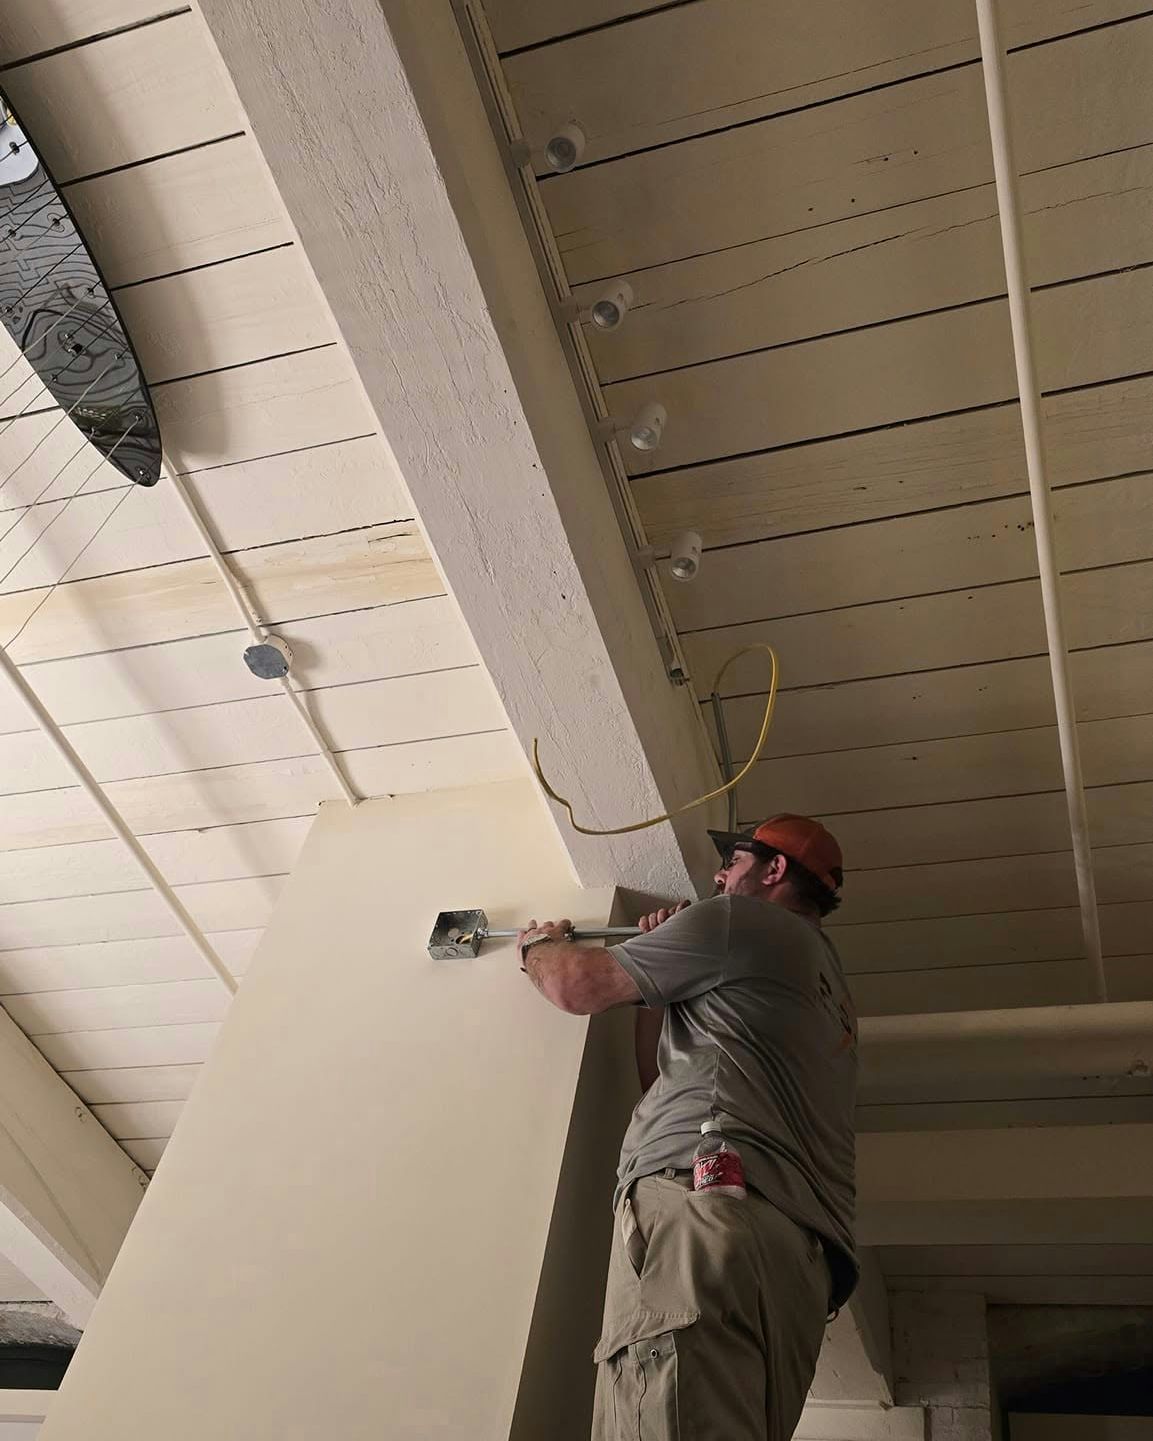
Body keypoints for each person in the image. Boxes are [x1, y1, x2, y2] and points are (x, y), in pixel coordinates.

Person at [516, 813, 857, 1441]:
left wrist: (538, 947)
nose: (720, 877)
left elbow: (575, 985)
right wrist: (663, 983)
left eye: (732, 863)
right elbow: (664, 1076)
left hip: (710, 1211)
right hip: (801, 1270)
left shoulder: (738, 920)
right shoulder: (827, 987)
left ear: (774, 869)